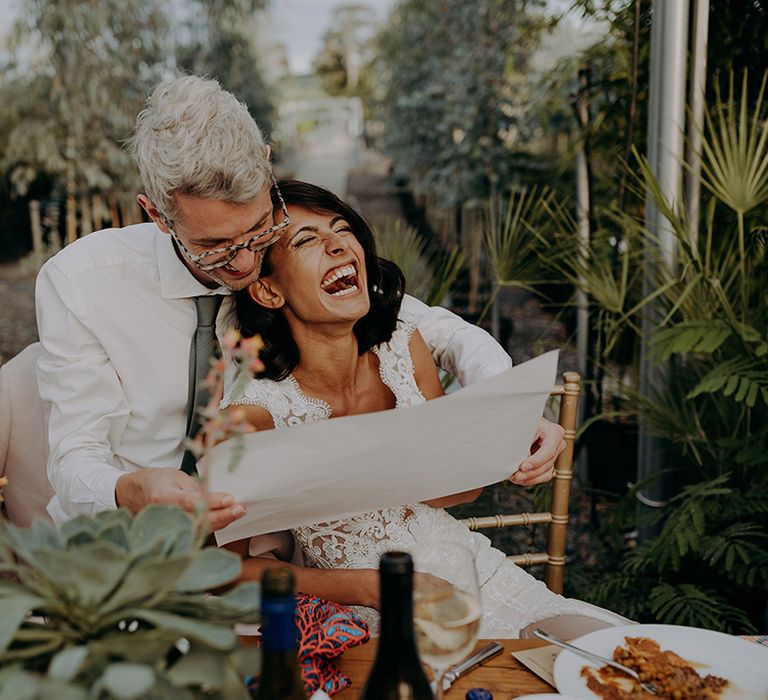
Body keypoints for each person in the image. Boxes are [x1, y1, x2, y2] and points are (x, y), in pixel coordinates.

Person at [35, 75, 561, 529]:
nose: (242, 266)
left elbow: (441, 331)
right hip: (122, 543)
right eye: (214, 248)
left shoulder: (283, 261)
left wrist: (508, 410)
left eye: (257, 231)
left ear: (267, 170)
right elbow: (75, 457)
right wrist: (126, 488)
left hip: (262, 544)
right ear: (155, 213)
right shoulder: (81, 283)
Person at [221, 180, 626, 638]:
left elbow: (452, 494)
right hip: (369, 610)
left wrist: (509, 444)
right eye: (307, 239)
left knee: (619, 654)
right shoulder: (255, 415)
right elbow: (227, 569)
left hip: (473, 569)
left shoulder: (402, 346)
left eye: (341, 229)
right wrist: (370, 589)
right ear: (269, 291)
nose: (338, 245)